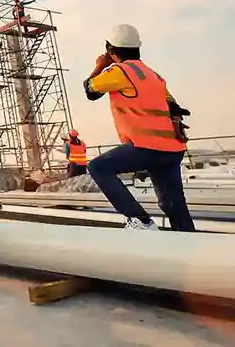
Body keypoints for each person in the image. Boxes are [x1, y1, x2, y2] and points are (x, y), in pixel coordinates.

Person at [83, 24, 196, 232]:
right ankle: (190, 242)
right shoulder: (153, 75)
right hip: (172, 150)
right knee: (173, 205)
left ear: (110, 50)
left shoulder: (120, 71)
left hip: (145, 147)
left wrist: (99, 66)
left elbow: (90, 90)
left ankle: (140, 220)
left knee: (98, 167)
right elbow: (172, 105)